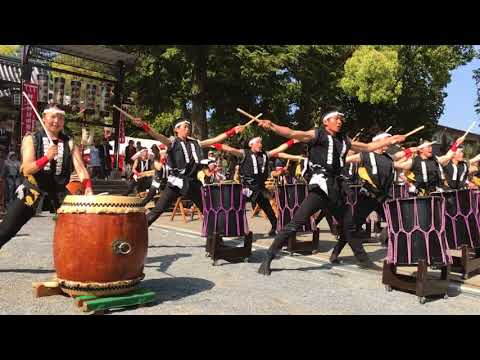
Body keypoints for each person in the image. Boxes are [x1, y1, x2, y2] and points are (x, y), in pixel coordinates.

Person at [255, 109, 406, 275]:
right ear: (326, 122)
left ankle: (364, 261)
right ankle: (268, 257)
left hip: (337, 188)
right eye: (336, 118)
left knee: (349, 227)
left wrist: (391, 140)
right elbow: (293, 133)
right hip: (320, 187)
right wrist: (272, 126)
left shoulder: (344, 139)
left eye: (341, 118)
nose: (340, 121)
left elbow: (368, 146)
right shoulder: (318, 134)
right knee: (295, 224)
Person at [0, 103, 93, 251]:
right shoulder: (31, 139)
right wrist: (46, 158)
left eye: (61, 118)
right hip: (33, 189)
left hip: (59, 192)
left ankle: (82, 261)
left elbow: (81, 169)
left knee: (81, 226)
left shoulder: (69, 142)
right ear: (44, 118)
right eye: (53, 117)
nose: (57, 121)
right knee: (7, 229)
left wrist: (88, 188)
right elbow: (26, 169)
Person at [131, 116, 246, 226]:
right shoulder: (172, 143)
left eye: (188, 127)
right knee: (158, 210)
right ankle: (137, 232)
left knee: (207, 209)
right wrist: (144, 126)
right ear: (177, 129)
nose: (188, 129)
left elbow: (214, 140)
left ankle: (215, 237)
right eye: (185, 127)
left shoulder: (195, 143)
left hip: (192, 183)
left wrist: (233, 131)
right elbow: (157, 135)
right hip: (175, 182)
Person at [211, 137, 304, 236]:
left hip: (259, 187)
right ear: (251, 144)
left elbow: (279, 149)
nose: (261, 144)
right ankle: (226, 228)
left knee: (266, 206)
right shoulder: (244, 153)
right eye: (258, 142)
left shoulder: (265, 154)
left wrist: (292, 141)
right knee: (234, 206)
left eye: (261, 142)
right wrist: (213, 143)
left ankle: (275, 225)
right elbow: (229, 149)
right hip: (247, 187)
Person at [395, 137, 464, 195]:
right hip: (421, 194)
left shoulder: (435, 159)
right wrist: (407, 153)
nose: (431, 148)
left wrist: (456, 144)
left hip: (436, 192)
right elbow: (396, 165)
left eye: (431, 146)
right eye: (428, 146)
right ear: (421, 150)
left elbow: (448, 156)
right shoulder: (414, 161)